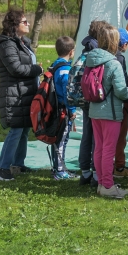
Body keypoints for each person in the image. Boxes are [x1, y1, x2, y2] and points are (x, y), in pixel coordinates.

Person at [85, 26, 128, 199]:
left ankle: (101, 183)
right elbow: (121, 92)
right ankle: (107, 185)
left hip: (94, 110)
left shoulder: (90, 60)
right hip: (110, 113)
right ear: (115, 42)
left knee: (99, 148)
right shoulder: (113, 63)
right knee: (108, 150)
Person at [0, 10, 42, 182]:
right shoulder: (6, 45)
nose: (28, 24)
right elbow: (16, 69)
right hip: (13, 94)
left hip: (24, 92)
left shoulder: (22, 42)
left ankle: (17, 164)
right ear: (14, 25)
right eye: (24, 22)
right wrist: (37, 69)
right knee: (16, 130)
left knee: (24, 129)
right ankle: (2, 169)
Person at [78, 20, 110, 187]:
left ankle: (85, 172)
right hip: (95, 98)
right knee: (98, 138)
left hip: (84, 97)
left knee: (87, 135)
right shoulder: (98, 53)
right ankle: (97, 174)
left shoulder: (85, 49)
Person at [50, 36, 77, 180]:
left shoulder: (55, 65)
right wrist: (72, 110)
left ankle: (58, 167)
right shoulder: (66, 70)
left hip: (55, 107)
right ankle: (59, 171)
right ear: (71, 52)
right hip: (63, 110)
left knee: (58, 139)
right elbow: (68, 93)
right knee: (62, 140)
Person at [113, 29, 128, 178]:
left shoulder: (106, 55)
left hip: (105, 104)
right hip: (120, 102)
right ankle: (119, 167)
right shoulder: (119, 58)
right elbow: (123, 81)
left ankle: (105, 167)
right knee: (120, 136)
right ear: (124, 44)